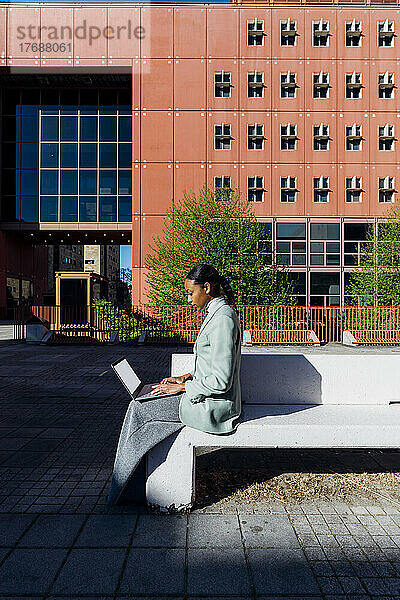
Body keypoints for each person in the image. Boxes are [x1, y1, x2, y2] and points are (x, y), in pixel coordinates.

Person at [107, 264, 242, 505]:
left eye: (191, 293)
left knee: (139, 409)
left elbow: (222, 380)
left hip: (215, 406)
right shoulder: (217, 315)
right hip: (203, 395)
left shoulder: (222, 319)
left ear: (207, 288)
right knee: (140, 405)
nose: (189, 299)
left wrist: (182, 388)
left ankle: (123, 488)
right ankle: (127, 486)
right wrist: (186, 377)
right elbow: (212, 365)